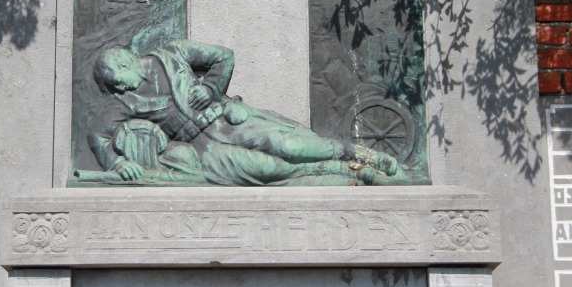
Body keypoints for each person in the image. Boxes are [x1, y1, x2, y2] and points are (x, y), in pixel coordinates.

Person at [86, 39, 399, 185]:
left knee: (288, 146)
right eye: (114, 88)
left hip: (227, 120)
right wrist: (117, 162)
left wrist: (210, 88)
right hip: (206, 148)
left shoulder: (171, 54)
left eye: (118, 82)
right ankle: (345, 171)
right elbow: (97, 135)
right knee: (269, 169)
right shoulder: (123, 102)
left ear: (126, 63)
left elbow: (224, 57)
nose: (119, 91)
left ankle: (360, 154)